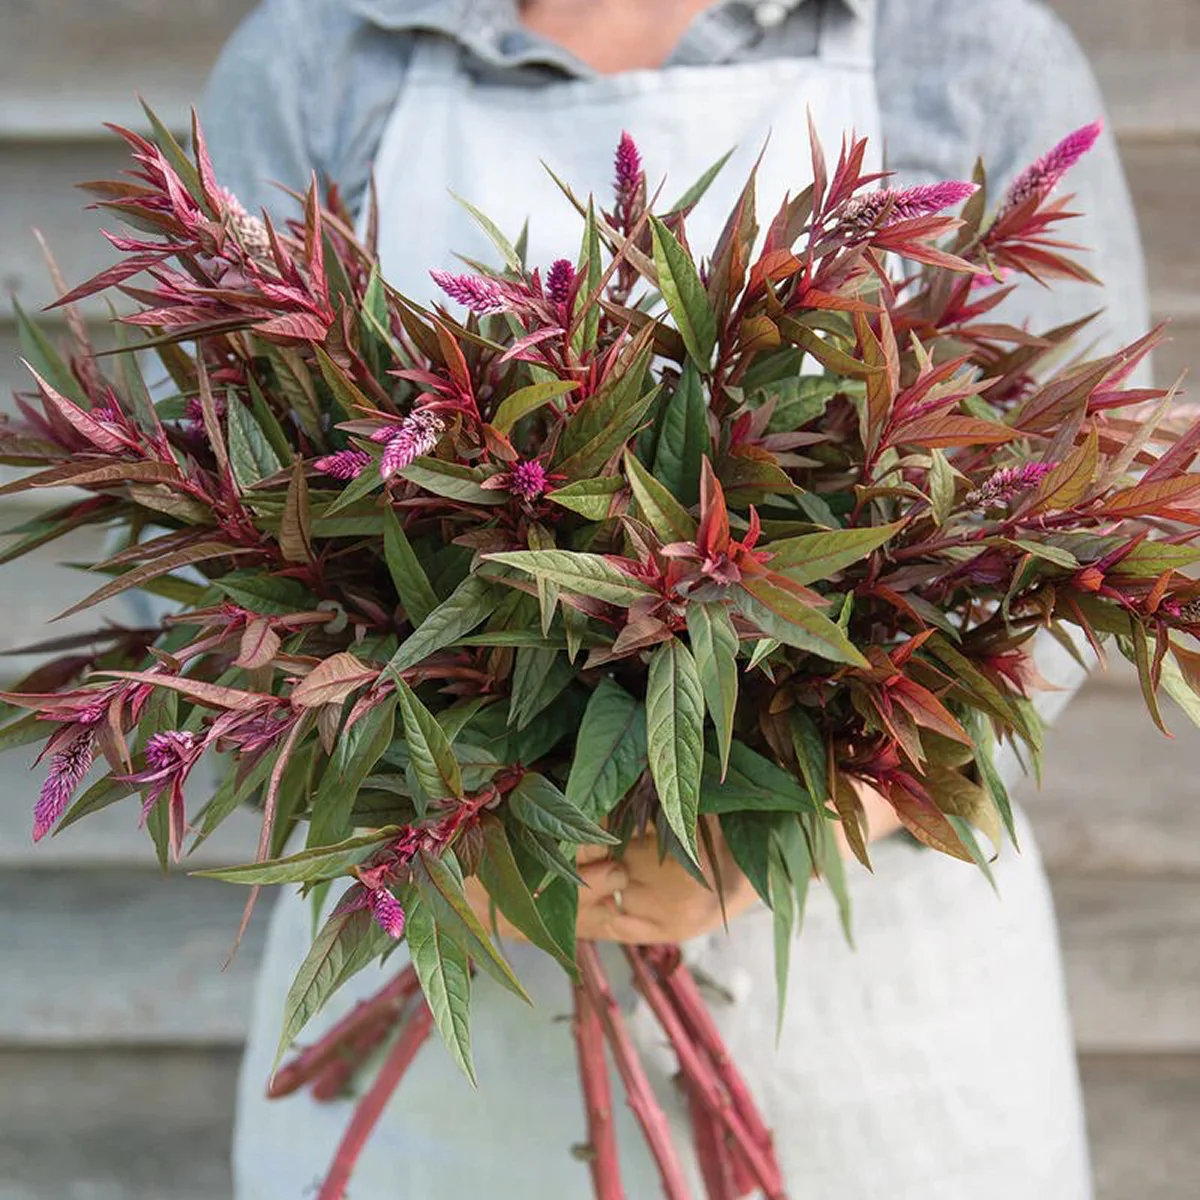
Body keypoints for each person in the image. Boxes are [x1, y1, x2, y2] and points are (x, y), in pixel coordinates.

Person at [201, 1, 1150, 1196]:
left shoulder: (971, 48)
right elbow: (214, 514)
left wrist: (795, 820)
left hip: (882, 1043)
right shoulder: (310, 58)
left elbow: (1075, 547)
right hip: (449, 1002)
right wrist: (443, 828)